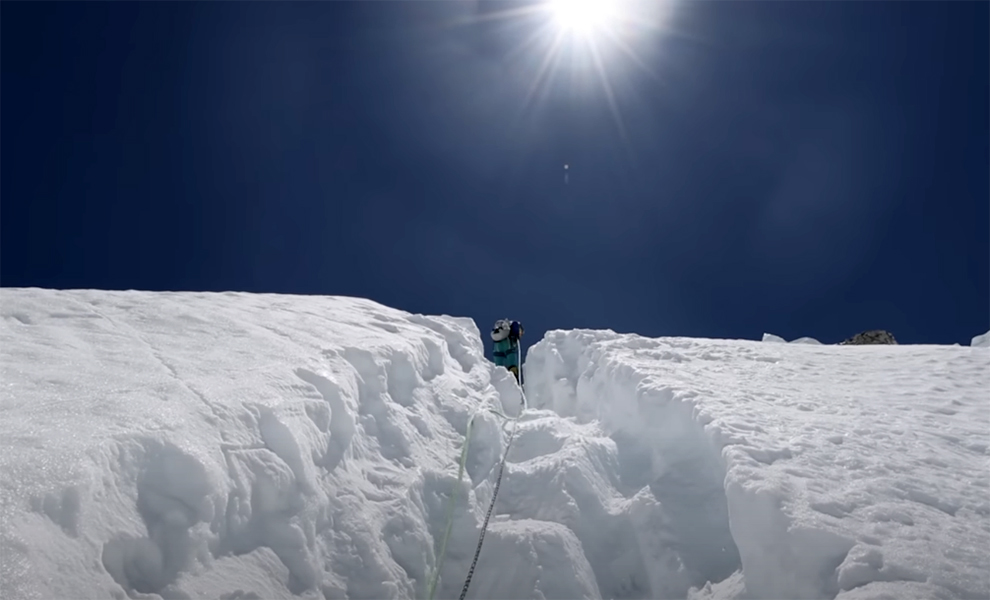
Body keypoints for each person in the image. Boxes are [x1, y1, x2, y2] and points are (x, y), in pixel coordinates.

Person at [491, 319, 524, 383]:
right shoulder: (513, 328)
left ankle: (498, 379)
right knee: (511, 360)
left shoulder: (501, 330)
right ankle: (514, 375)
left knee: (499, 366)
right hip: (507, 344)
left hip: (497, 347)